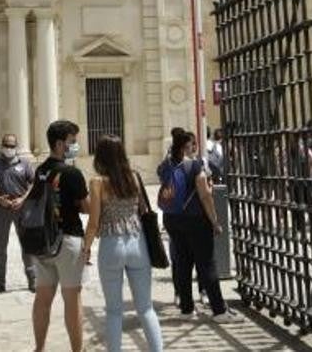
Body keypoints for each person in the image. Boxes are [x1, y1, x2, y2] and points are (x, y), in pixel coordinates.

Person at [81, 135, 163, 352]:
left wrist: (86, 247)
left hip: (111, 244)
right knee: (146, 308)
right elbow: (143, 210)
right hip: (138, 243)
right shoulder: (134, 178)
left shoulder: (98, 183)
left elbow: (93, 222)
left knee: (114, 311)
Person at [32, 120, 89, 352]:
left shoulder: (40, 170)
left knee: (43, 298)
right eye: (72, 142)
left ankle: (40, 347)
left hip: (43, 240)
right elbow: (85, 207)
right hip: (68, 240)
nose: (75, 146)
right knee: (72, 299)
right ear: (59, 144)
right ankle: (78, 349)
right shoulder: (72, 172)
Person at [157, 127, 227, 319]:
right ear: (186, 146)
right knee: (206, 264)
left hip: (172, 219)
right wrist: (214, 221)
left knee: (182, 264)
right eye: (191, 145)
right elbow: (204, 195)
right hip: (196, 220)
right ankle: (219, 310)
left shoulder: (164, 167)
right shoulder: (195, 166)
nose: (193, 148)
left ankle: (186, 309)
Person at [0, 133, 36, 294]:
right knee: (0, 247)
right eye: (6, 145)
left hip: (22, 209)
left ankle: (33, 280)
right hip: (1, 209)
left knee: (27, 245)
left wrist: (22, 198)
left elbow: (33, 184)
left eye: (12, 145)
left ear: (16, 147)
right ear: (2, 146)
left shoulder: (25, 164)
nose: (9, 148)